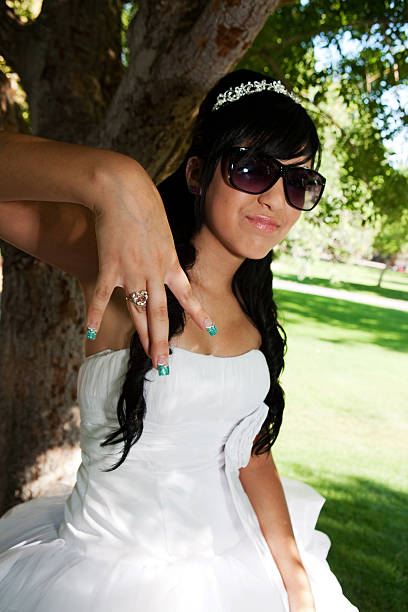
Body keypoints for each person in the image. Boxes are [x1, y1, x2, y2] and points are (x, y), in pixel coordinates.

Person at [0, 69, 358, 612]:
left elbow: (251, 455)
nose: (277, 201)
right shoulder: (121, 267)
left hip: (235, 571)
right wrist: (116, 179)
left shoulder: (254, 313)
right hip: (100, 582)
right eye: (252, 168)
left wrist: (297, 584)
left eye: (298, 182)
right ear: (197, 173)